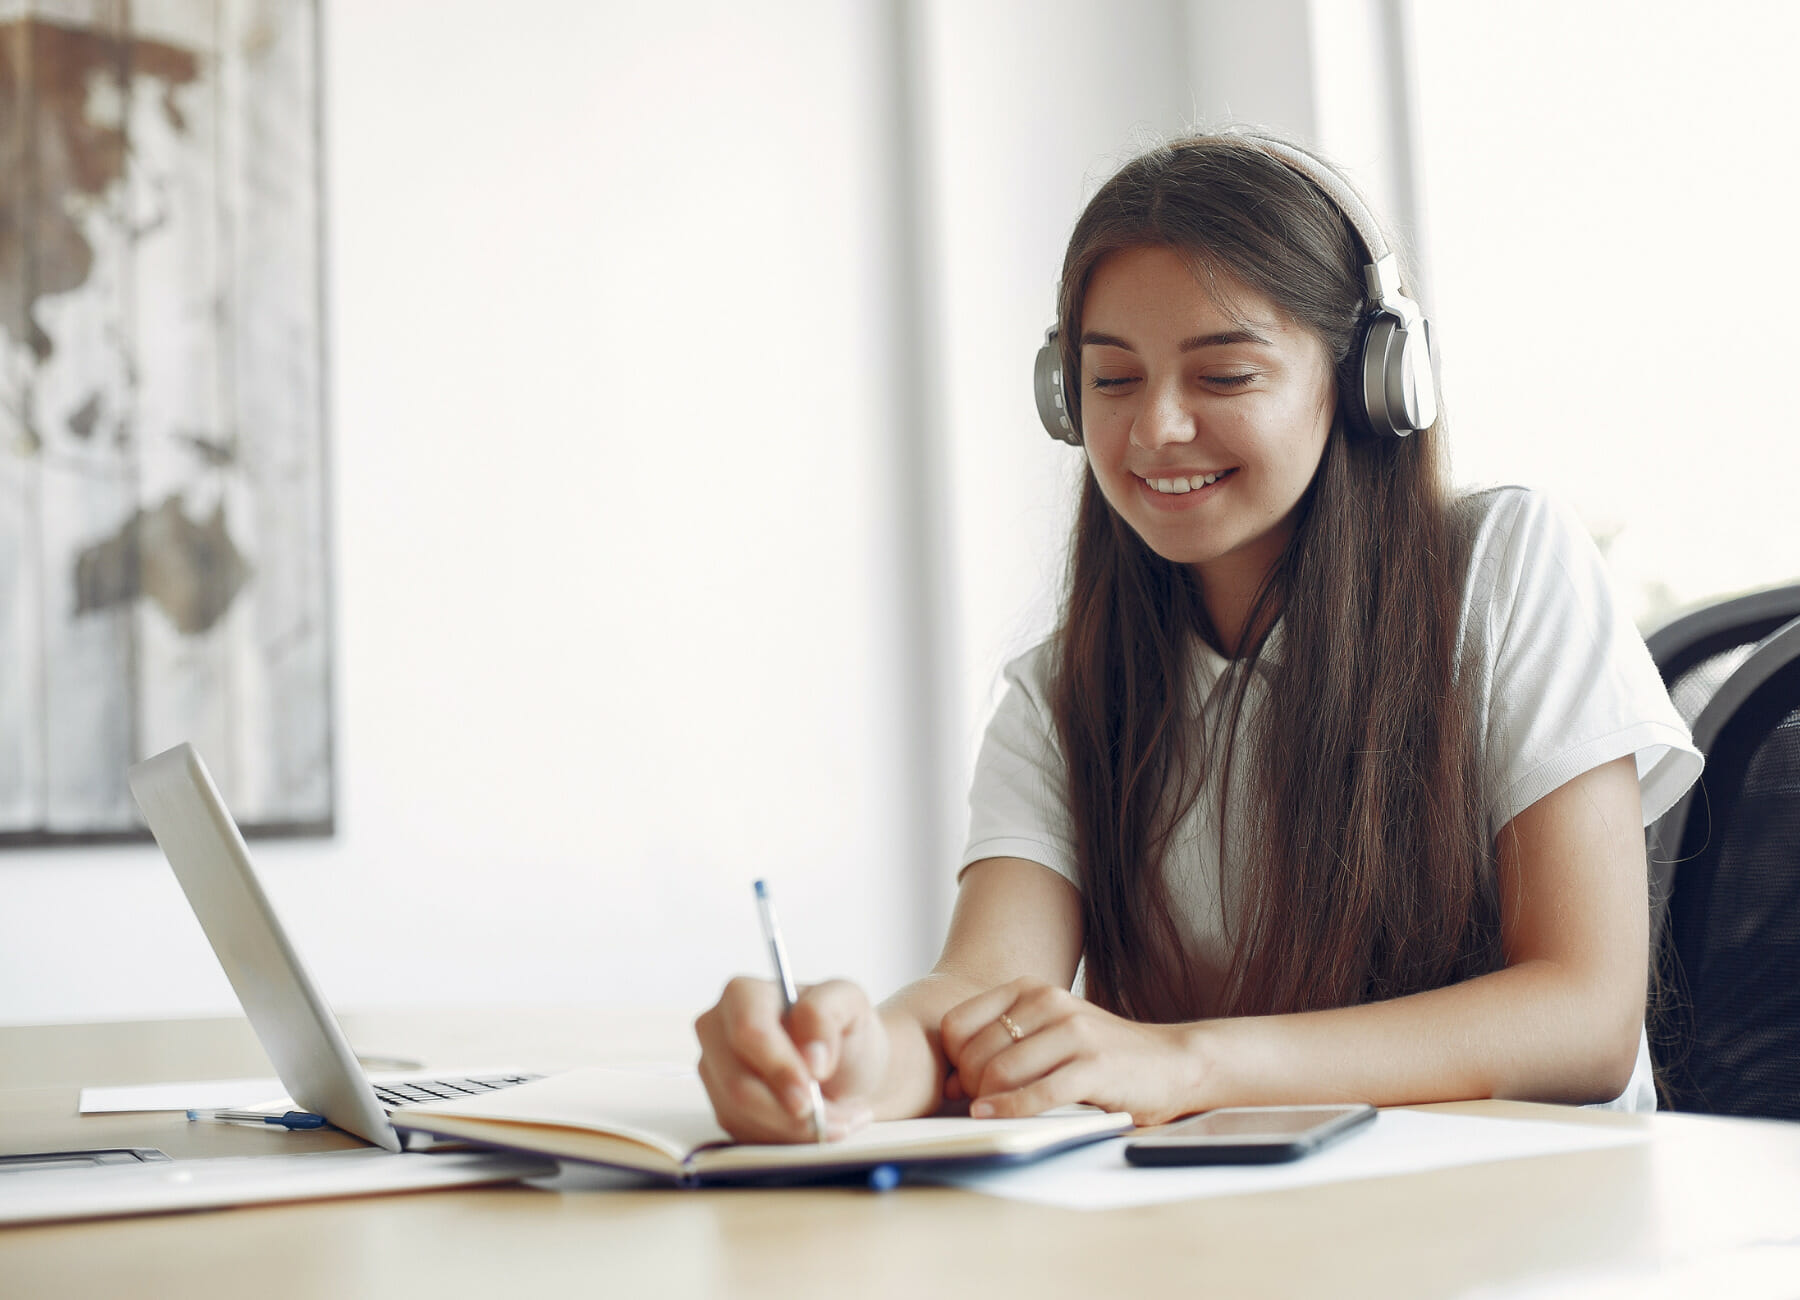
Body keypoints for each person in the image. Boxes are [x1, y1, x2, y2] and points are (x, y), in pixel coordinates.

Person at [694, 130, 1702, 1142]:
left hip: (1532, 1224)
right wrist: (856, 1060)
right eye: (1113, 381)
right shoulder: (1067, 691)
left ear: (1366, 383)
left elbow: (1585, 1016)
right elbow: (982, 987)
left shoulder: (1506, 568)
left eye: (1223, 377)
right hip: (1245, 1230)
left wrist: (1187, 1061)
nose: (1154, 429)